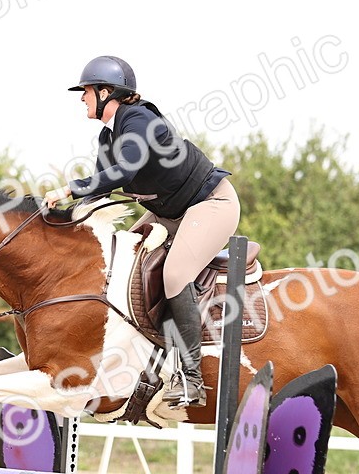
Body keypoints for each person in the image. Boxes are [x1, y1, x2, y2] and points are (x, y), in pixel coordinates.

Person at [45, 55, 240, 408]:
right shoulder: (108, 138)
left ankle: (193, 378)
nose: (82, 98)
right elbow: (101, 194)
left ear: (107, 92)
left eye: (86, 91)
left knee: (175, 273)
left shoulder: (140, 120)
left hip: (211, 204)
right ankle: (139, 357)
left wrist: (69, 188)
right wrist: (58, 224)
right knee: (123, 256)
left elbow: (122, 172)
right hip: (170, 212)